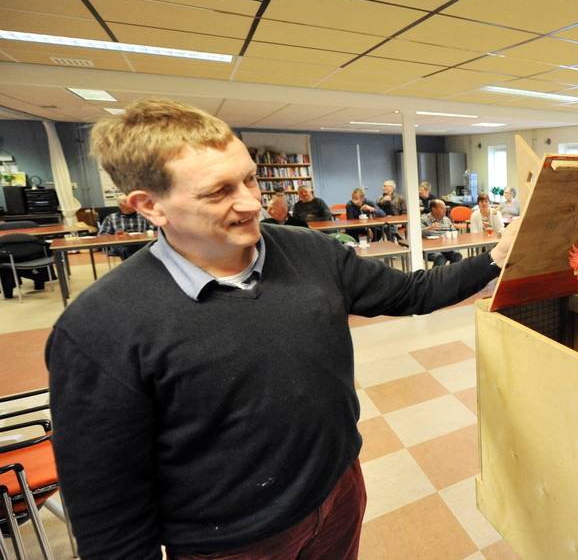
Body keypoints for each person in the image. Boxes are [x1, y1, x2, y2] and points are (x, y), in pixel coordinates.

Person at [45, 98, 519, 560]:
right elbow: (109, 509)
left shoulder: (310, 252)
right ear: (150, 205)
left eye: (249, 178)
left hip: (338, 493)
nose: (251, 202)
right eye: (219, 191)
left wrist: (497, 257)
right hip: (231, 542)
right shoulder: (98, 328)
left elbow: (411, 293)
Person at [98, 193, 152, 260]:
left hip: (141, 242)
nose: (133, 204)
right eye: (129, 202)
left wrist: (145, 234)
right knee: (126, 249)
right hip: (121, 244)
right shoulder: (111, 218)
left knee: (150, 247)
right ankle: (131, 269)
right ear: (121, 205)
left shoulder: (143, 215)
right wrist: (116, 236)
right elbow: (102, 235)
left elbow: (153, 230)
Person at [420, 199, 462, 266]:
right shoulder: (423, 219)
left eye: (445, 208)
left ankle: (453, 275)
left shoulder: (446, 219)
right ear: (434, 209)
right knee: (440, 258)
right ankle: (435, 276)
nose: (445, 210)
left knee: (457, 255)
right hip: (431, 248)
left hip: (446, 246)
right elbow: (418, 233)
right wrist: (429, 228)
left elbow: (454, 232)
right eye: (442, 208)